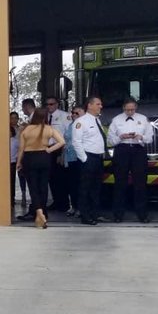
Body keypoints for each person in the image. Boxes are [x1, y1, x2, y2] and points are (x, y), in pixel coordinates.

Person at [107, 98, 153, 222]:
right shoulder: (116, 120)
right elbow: (110, 140)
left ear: (136, 107)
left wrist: (140, 136)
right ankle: (118, 215)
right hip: (122, 150)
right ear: (123, 108)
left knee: (140, 183)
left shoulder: (143, 119)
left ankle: (142, 214)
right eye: (127, 110)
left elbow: (150, 138)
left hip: (138, 150)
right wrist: (120, 137)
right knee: (120, 183)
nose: (130, 112)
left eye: (132, 109)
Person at [15, 109, 64, 225]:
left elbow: (21, 148)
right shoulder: (48, 128)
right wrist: (49, 150)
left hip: (29, 158)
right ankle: (44, 212)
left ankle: (39, 211)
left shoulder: (26, 130)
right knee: (43, 187)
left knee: (33, 187)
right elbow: (61, 141)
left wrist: (18, 162)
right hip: (44, 157)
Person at [72, 96, 108, 225]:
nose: (101, 106)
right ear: (90, 105)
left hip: (98, 158)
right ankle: (85, 216)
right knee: (85, 188)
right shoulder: (81, 122)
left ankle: (95, 213)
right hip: (88, 158)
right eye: (98, 104)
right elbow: (76, 142)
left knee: (96, 188)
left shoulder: (97, 120)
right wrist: (85, 159)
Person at [44, 96, 71, 212]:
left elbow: (68, 135)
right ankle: (56, 201)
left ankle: (64, 203)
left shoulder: (65, 116)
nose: (49, 106)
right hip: (48, 148)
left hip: (60, 148)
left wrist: (63, 153)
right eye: (47, 104)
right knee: (51, 178)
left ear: (57, 104)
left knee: (61, 178)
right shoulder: (45, 117)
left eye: (51, 104)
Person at [63, 106, 85, 217]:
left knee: (81, 184)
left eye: (77, 113)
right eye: (73, 113)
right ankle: (74, 206)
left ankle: (81, 208)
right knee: (72, 184)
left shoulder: (84, 124)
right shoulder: (71, 125)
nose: (73, 115)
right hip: (70, 157)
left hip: (80, 157)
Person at [9, 112, 24, 208]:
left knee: (22, 177)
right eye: (11, 118)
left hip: (19, 156)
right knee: (10, 179)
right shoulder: (6, 128)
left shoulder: (21, 129)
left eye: (15, 118)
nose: (13, 120)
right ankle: (11, 198)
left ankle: (23, 195)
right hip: (11, 159)